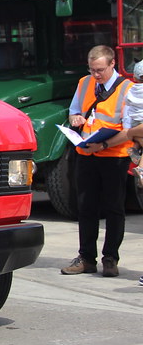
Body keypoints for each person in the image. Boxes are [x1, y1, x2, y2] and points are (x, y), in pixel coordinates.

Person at [62, 45, 132, 277]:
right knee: (86, 207)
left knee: (114, 208)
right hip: (86, 155)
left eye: (100, 70)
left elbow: (130, 131)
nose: (96, 75)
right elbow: (74, 111)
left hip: (114, 157)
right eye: (92, 69)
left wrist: (103, 145)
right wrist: (75, 118)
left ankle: (110, 258)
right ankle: (86, 258)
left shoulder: (127, 89)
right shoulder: (85, 83)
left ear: (113, 64)